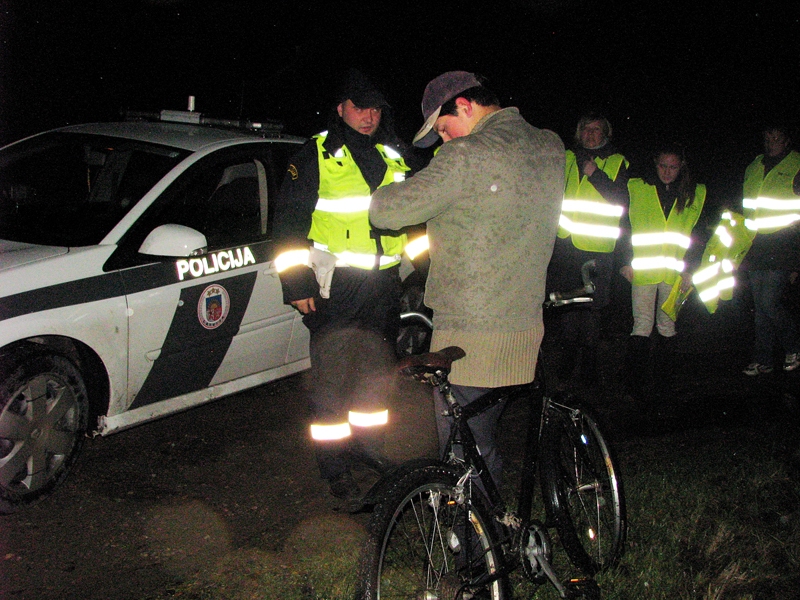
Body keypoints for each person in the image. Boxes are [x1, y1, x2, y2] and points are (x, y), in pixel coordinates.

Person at [369, 71, 564, 490]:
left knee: (463, 447)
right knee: (481, 433)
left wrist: (385, 181)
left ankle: (478, 549)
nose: (445, 140)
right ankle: (494, 531)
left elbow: (385, 213)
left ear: (465, 105)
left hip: (473, 334)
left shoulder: (466, 156)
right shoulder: (550, 145)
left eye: (443, 128)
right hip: (526, 325)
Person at [272, 69, 412, 500]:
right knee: (332, 383)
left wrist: (418, 272)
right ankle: (335, 470)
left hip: (384, 286)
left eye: (375, 108)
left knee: (375, 377)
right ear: (341, 109)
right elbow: (288, 223)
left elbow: (415, 222)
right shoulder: (314, 155)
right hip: (336, 288)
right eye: (359, 106)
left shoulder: (394, 156)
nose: (368, 116)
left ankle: (369, 450)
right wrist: (297, 283)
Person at [545, 113, 629, 387]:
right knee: (567, 304)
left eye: (596, 130)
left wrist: (596, 175)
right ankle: (568, 361)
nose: (591, 134)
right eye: (586, 130)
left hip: (598, 247)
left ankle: (590, 366)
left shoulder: (618, 161)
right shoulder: (567, 157)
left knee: (592, 309)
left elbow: (622, 202)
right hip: (567, 244)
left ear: (606, 133)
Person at [620, 145, 707, 396]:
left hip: (676, 272)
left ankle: (664, 381)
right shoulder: (637, 187)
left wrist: (691, 269)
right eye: (663, 166)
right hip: (643, 270)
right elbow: (624, 225)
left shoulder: (695, 193)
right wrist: (625, 261)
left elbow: (698, 234)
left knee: (667, 326)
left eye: (673, 166)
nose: (667, 172)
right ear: (655, 162)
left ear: (682, 167)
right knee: (641, 325)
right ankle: (634, 382)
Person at [738, 125, 800, 376]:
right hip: (754, 247)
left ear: (786, 141)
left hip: (784, 245)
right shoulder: (754, 166)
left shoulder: (796, 165)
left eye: (776, 138)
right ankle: (763, 359)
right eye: (767, 138)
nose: (771, 142)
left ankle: (794, 347)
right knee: (760, 310)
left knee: (768, 303)